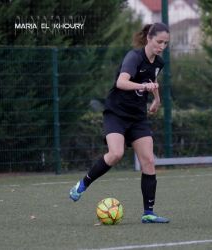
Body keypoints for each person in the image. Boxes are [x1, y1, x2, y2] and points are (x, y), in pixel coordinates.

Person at [69, 22, 170, 224]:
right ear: (149, 39)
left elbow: (152, 81)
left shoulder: (158, 63)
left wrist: (157, 99)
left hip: (138, 117)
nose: (162, 46)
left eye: (166, 43)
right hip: (116, 113)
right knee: (116, 154)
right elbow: (121, 82)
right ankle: (83, 184)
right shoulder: (133, 57)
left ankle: (148, 213)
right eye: (159, 42)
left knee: (149, 161)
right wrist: (143, 85)